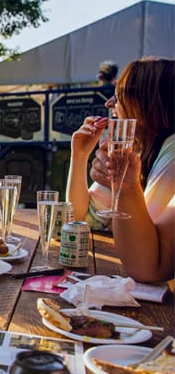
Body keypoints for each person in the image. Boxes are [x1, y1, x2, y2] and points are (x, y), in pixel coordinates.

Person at [67, 57, 174, 282]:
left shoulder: (172, 151)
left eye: (119, 95)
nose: (109, 103)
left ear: (146, 102)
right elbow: (79, 218)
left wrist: (125, 187)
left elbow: (147, 261)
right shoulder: (140, 150)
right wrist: (79, 156)